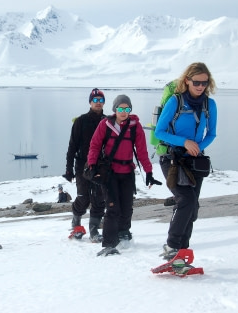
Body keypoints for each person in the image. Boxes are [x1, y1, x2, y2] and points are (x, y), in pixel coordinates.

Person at [154, 62, 217, 260]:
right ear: (187, 81)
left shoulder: (210, 104)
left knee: (192, 208)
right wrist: (185, 142)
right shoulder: (175, 101)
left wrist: (197, 146)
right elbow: (159, 132)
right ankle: (172, 247)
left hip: (194, 160)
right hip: (172, 158)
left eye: (204, 83)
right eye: (196, 82)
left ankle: (181, 252)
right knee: (186, 200)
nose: (200, 86)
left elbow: (212, 133)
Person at [88, 94, 161, 256]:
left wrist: (148, 171)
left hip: (127, 173)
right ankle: (108, 243)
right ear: (115, 109)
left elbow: (142, 151)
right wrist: (92, 165)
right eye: (120, 108)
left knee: (127, 207)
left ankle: (123, 232)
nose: (123, 112)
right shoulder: (105, 125)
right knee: (113, 208)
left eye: (126, 109)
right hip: (110, 174)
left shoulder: (135, 127)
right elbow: (94, 146)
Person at [63, 88, 106, 243]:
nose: (98, 103)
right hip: (82, 164)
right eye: (95, 100)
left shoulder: (108, 121)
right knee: (83, 196)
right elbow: (72, 146)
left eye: (101, 100)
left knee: (99, 198)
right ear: (90, 102)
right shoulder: (80, 121)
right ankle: (76, 224)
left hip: (101, 166)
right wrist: (69, 169)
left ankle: (94, 230)